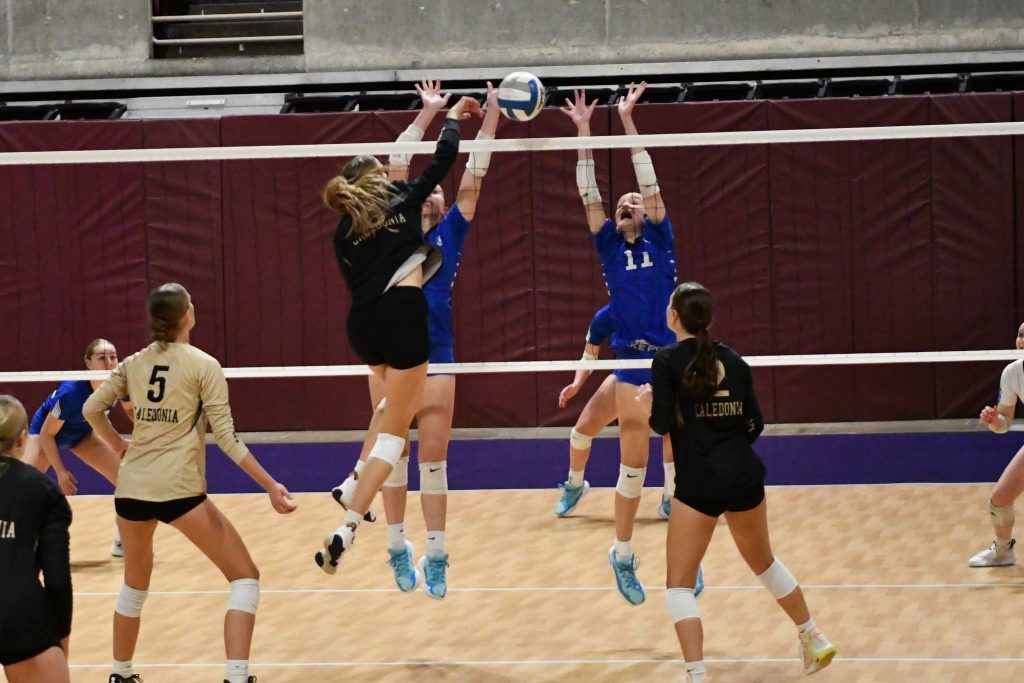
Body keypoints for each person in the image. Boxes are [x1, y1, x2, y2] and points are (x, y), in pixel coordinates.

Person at [330, 81, 500, 598]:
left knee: (433, 460)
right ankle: (397, 547)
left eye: (440, 193)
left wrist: (490, 119)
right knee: (394, 454)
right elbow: (399, 160)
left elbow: (473, 174)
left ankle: (438, 552)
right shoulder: (388, 218)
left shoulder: (449, 230)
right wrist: (431, 113)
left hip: (437, 351)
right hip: (390, 349)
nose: (438, 192)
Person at [83, 283, 296, 683]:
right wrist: (270, 485)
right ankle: (236, 677)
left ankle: (120, 674)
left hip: (132, 491)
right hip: (178, 490)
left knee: (133, 586)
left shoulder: (133, 363)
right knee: (245, 577)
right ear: (186, 316)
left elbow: (91, 408)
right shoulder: (204, 366)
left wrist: (118, 446)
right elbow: (229, 440)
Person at [639, 282, 836, 682]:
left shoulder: (667, 361)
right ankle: (812, 636)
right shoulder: (735, 360)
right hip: (744, 475)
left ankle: (697, 675)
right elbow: (754, 425)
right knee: (764, 563)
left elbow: (660, 424)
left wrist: (647, 406)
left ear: (674, 316)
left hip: (699, 484)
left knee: (678, 585)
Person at [561, 82, 693, 605]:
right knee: (632, 467)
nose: (627, 203)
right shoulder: (609, 246)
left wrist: (627, 120)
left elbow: (650, 180)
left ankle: (685, 560)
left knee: (687, 467)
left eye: (634, 203)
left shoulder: (660, 237)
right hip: (634, 367)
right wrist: (585, 130)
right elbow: (588, 192)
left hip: (672, 363)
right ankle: (621, 553)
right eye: (623, 204)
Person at [555, 304, 676, 520]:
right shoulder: (607, 314)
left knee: (674, 436)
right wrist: (577, 383)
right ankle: (575, 484)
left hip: (666, 379)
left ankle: (672, 497)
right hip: (626, 378)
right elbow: (589, 356)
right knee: (580, 434)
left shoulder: (672, 309)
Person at [22, 338, 132, 556]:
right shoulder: (71, 393)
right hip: (46, 436)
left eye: (113, 356)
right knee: (22, 487)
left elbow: (132, 412)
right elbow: (47, 434)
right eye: (102, 358)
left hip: (82, 435)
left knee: (128, 481)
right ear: (88, 364)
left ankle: (122, 542)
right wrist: (61, 471)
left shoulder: (120, 384)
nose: (109, 362)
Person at [0, 395, 73, 683]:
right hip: (18, 613)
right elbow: (57, 579)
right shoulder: (42, 490)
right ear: (21, 439)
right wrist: (60, 638)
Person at [970, 321, 1024, 567]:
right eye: (1020, 335)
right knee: (1000, 498)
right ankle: (1003, 552)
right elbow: (1005, 422)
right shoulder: (1012, 373)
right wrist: (994, 421)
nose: (1022, 340)